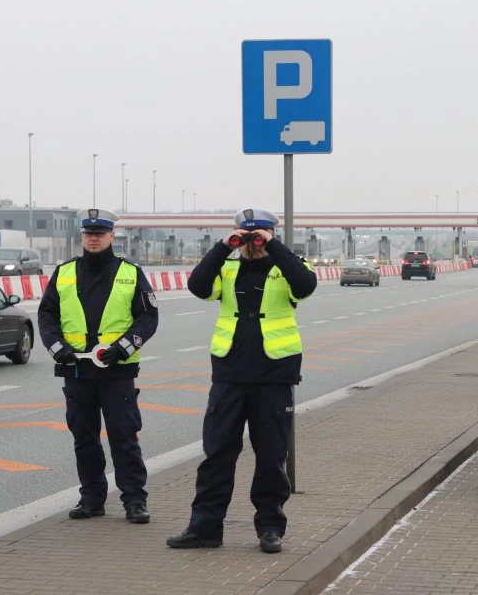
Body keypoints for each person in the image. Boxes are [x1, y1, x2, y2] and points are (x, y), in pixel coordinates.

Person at [167, 207, 317, 553]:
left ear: (272, 234)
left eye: (259, 235)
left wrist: (274, 246)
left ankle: (270, 528)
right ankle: (204, 527)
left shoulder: (288, 266)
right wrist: (224, 247)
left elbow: (305, 286)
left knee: (271, 456)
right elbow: (197, 286)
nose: (253, 242)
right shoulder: (228, 268)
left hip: (275, 374)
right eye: (247, 235)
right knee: (217, 453)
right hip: (230, 373)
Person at [37, 208, 159, 524]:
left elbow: (148, 318)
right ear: (82, 236)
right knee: (84, 438)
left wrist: (123, 347)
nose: (94, 239)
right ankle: (92, 499)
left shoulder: (131, 273)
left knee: (124, 436)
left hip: (117, 370)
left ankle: (134, 501)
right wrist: (56, 348)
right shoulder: (63, 272)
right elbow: (47, 315)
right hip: (76, 369)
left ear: (111, 236)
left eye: (99, 234)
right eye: (89, 234)